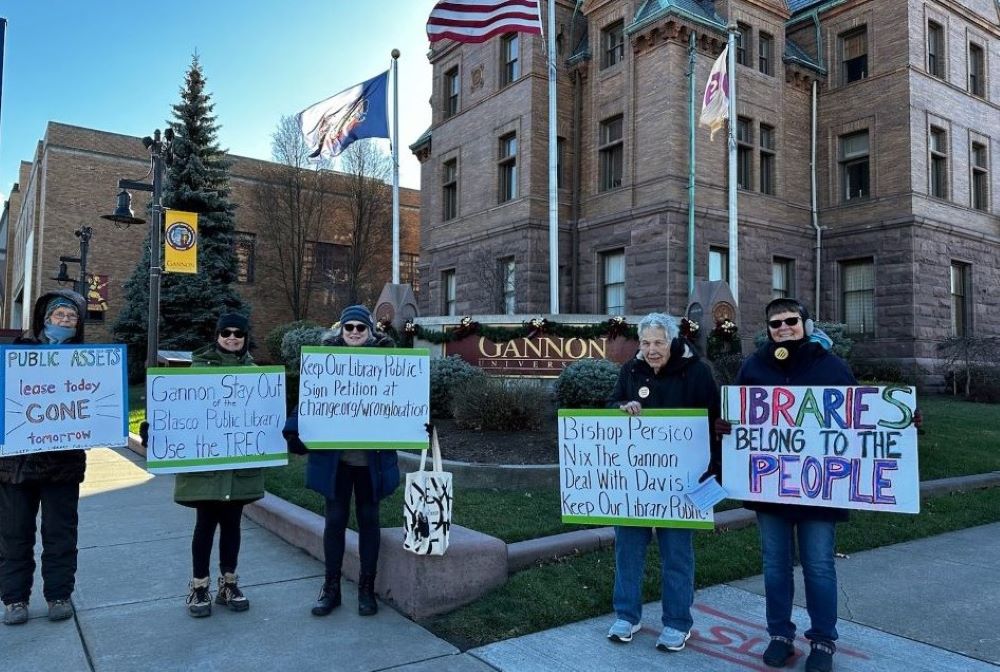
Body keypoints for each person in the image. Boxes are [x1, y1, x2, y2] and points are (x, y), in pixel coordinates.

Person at [717, 298, 855, 672]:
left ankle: (823, 641)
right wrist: (726, 428)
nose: (783, 328)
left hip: (819, 491)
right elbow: (738, 414)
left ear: (806, 324)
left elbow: (860, 419)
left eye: (790, 321)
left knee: (819, 567)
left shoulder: (831, 366)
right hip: (771, 490)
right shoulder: (755, 366)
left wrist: (902, 422)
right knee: (775, 567)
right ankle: (780, 636)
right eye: (775, 324)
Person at [605, 313, 721, 652]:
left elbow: (714, 420)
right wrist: (620, 407)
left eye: (658, 342)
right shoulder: (631, 370)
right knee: (627, 551)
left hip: (680, 484)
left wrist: (712, 470)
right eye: (645, 343)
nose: (652, 349)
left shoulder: (696, 371)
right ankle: (627, 615)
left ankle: (677, 623)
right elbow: (611, 404)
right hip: (635, 484)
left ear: (672, 341)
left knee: (677, 555)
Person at [283, 304, 400, 617]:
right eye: (349, 327)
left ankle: (366, 588)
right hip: (336, 463)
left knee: (369, 521)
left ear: (370, 332)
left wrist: (419, 424)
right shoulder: (325, 363)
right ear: (341, 330)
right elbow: (308, 400)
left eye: (361, 328)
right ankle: (331, 588)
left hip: (370, 464)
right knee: (334, 522)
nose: (354, 333)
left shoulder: (389, 363)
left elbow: (404, 400)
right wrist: (294, 430)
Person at [0, 290, 88, 625]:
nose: (64, 321)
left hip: (62, 465)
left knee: (60, 533)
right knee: (12, 533)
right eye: (59, 315)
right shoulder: (17, 353)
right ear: (45, 318)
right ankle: (15, 600)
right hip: (15, 465)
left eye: (71, 317)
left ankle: (59, 595)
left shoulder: (86, 362)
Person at [174, 313, 264, 618]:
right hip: (206, 465)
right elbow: (178, 410)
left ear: (245, 337)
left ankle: (229, 583)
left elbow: (265, 416)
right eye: (226, 332)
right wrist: (158, 430)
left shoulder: (255, 373)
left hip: (237, 465)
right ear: (217, 335)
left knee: (232, 526)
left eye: (238, 333)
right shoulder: (197, 370)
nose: (232, 337)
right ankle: (199, 586)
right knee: (204, 526)